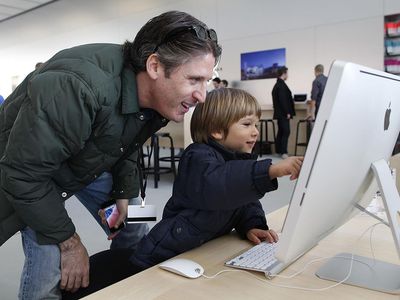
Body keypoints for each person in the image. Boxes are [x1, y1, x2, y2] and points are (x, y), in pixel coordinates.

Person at [0, 10, 221, 299]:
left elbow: (127, 141)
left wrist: (125, 191)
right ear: (155, 66)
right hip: (33, 172)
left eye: (207, 81)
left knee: (140, 219)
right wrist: (70, 242)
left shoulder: (157, 95)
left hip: (87, 158)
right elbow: (24, 174)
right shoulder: (77, 87)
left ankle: (125, 286)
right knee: (49, 264)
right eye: (194, 80)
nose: (202, 95)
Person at [63, 88, 303, 299]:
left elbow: (244, 200)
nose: (255, 132)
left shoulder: (239, 159)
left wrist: (252, 224)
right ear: (218, 130)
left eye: (256, 125)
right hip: (165, 253)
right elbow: (219, 185)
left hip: (196, 247)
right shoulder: (197, 156)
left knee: (132, 227)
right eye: (247, 124)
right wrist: (270, 170)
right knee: (134, 264)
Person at [272, 66, 295, 159]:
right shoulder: (281, 85)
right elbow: (283, 100)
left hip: (279, 113)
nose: (288, 75)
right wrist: (287, 112)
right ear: (284, 73)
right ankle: (284, 152)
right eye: (287, 73)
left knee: (281, 131)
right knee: (286, 131)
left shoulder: (277, 84)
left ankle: (278, 151)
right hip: (283, 113)